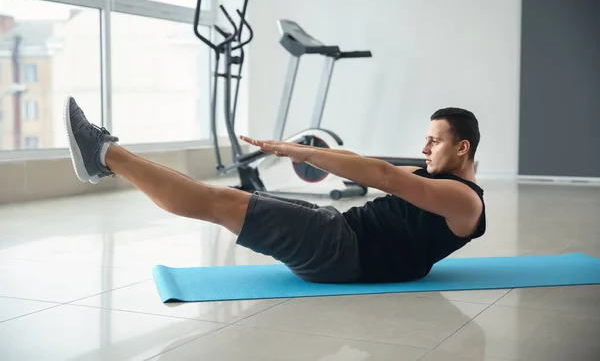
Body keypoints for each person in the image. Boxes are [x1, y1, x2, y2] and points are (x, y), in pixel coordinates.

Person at [64, 96, 485, 284]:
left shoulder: (465, 199)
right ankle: (108, 160)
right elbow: (370, 162)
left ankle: (103, 154)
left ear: (462, 147)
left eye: (435, 141)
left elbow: (385, 177)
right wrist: (306, 151)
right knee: (226, 199)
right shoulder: (443, 183)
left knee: (219, 201)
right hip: (339, 237)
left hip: (342, 250)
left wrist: (293, 149)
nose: (424, 148)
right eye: (426, 139)